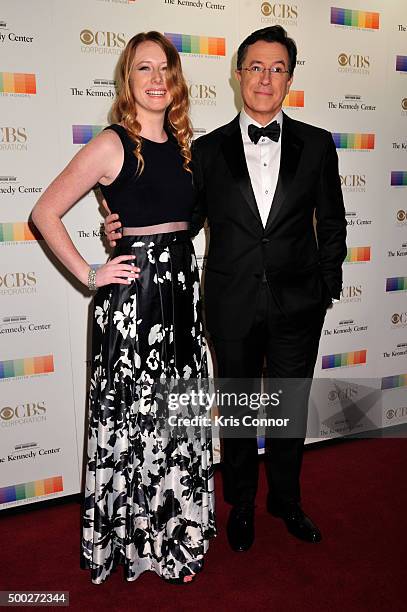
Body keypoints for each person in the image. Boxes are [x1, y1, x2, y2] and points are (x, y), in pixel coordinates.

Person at [105, 26, 347, 553]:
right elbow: (182, 220)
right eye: (255, 67)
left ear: (290, 78)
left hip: (298, 303)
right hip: (231, 303)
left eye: (277, 68)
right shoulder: (207, 151)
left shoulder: (318, 144)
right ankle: (240, 504)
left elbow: (332, 222)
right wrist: (122, 228)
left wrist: (326, 286)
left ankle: (285, 499)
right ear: (238, 75)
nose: (266, 77)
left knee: (289, 409)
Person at [31, 31, 216, 584]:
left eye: (165, 68)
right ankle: (130, 543)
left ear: (176, 80)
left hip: (181, 302)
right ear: (127, 80)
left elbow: (192, 220)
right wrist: (92, 273)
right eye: (143, 68)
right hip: (132, 308)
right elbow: (44, 212)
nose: (156, 78)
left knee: (174, 420)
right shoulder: (113, 143)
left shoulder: (189, 147)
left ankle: (175, 536)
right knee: (131, 422)